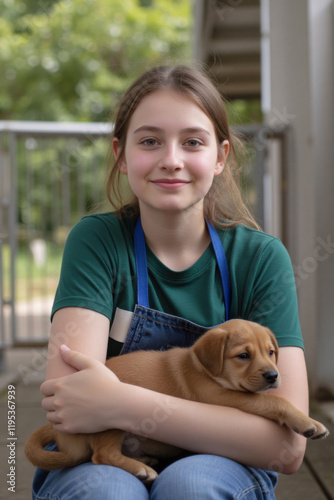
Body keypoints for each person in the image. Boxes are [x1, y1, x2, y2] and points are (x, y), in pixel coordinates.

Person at [32, 65, 308, 500]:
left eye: (192, 142)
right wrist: (225, 421)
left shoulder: (260, 257)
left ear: (220, 157)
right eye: (149, 141)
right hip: (102, 453)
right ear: (121, 156)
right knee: (107, 493)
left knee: (191, 486)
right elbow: (71, 405)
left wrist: (122, 403)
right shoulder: (97, 241)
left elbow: (287, 445)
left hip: (224, 465)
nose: (171, 159)